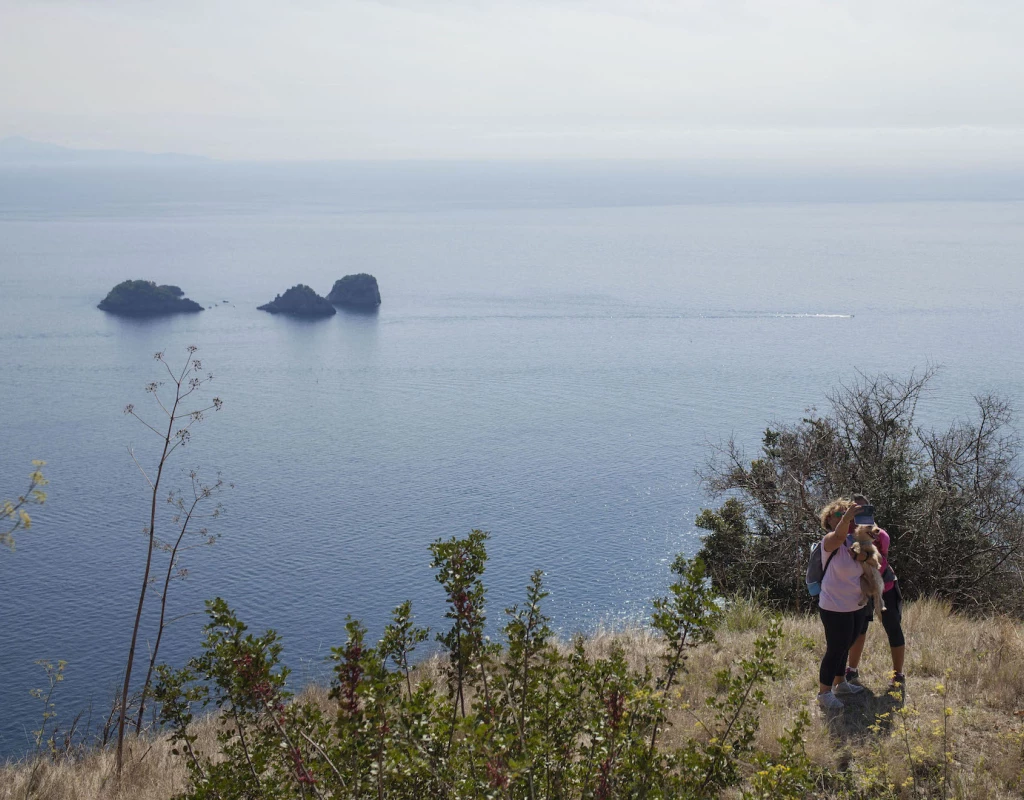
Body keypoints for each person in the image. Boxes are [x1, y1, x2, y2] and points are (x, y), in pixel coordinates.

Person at [845, 493, 906, 688]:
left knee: (893, 627)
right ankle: (851, 670)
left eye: (864, 509)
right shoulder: (845, 532)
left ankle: (898, 675)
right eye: (855, 510)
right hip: (860, 587)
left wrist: (864, 551)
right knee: (858, 629)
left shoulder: (880, 534)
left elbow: (879, 561)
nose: (859, 513)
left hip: (884, 585)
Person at [815, 498, 869, 711]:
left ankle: (840, 683)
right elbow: (838, 535)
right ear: (829, 519)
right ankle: (824, 693)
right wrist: (846, 519)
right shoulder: (830, 540)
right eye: (840, 514)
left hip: (855, 604)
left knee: (847, 644)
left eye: (849, 514)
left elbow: (867, 559)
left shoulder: (852, 541)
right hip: (834, 606)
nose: (847, 517)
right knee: (835, 648)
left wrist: (863, 554)